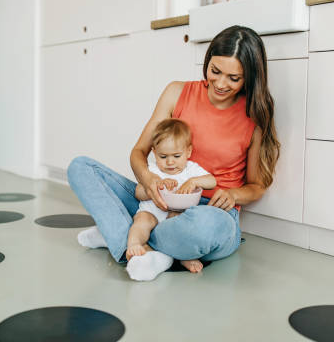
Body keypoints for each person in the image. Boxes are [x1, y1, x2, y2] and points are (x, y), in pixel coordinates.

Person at [68, 25, 280, 281]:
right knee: (81, 168)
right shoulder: (177, 92)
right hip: (157, 200)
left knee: (205, 228)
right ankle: (150, 246)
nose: (220, 83)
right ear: (207, 61)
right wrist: (148, 180)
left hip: (209, 211)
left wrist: (233, 193)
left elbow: (257, 185)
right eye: (215, 71)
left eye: (234, 78)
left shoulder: (253, 115)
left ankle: (125, 237)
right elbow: (139, 152)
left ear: (250, 77)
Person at [127, 118, 216, 274]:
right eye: (163, 156)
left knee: (180, 224)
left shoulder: (191, 169)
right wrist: (155, 186)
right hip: (152, 213)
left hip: (177, 214)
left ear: (188, 152)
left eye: (176, 156)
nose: (170, 162)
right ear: (154, 152)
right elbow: (138, 193)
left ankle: (183, 256)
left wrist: (193, 181)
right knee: (142, 220)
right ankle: (134, 245)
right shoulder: (153, 170)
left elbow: (212, 181)